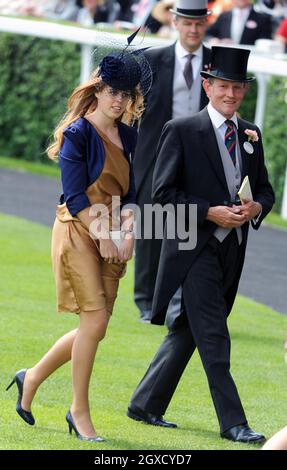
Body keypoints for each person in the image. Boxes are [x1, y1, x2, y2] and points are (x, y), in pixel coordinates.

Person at [6, 36, 151, 442]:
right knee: (93, 320)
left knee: (98, 326)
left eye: (126, 95)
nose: (119, 102)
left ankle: (30, 377)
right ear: (97, 90)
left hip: (112, 231)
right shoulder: (77, 134)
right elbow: (73, 196)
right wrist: (106, 235)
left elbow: (132, 194)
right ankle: (78, 412)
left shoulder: (130, 136)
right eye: (112, 93)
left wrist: (130, 232)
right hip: (76, 229)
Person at [128, 45, 275, 443]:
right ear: (207, 86)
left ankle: (145, 403)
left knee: (189, 329)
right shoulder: (181, 129)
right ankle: (233, 423)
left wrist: (255, 206)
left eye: (238, 88)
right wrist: (210, 211)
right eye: (224, 86)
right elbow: (162, 195)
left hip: (233, 248)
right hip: (193, 248)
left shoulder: (251, 133)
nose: (231, 94)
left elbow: (265, 189)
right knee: (213, 335)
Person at [134, 0, 212, 324]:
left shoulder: (216, 62)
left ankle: (179, 301)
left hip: (198, 155)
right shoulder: (152, 59)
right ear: (176, 22)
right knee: (152, 226)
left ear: (205, 25)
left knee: (188, 228)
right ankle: (146, 301)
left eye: (198, 24)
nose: (193, 29)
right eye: (187, 23)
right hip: (156, 152)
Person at [206, 0, 272, 45]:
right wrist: (213, 40)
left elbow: (265, 42)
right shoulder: (224, 16)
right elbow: (207, 34)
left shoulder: (262, 19)